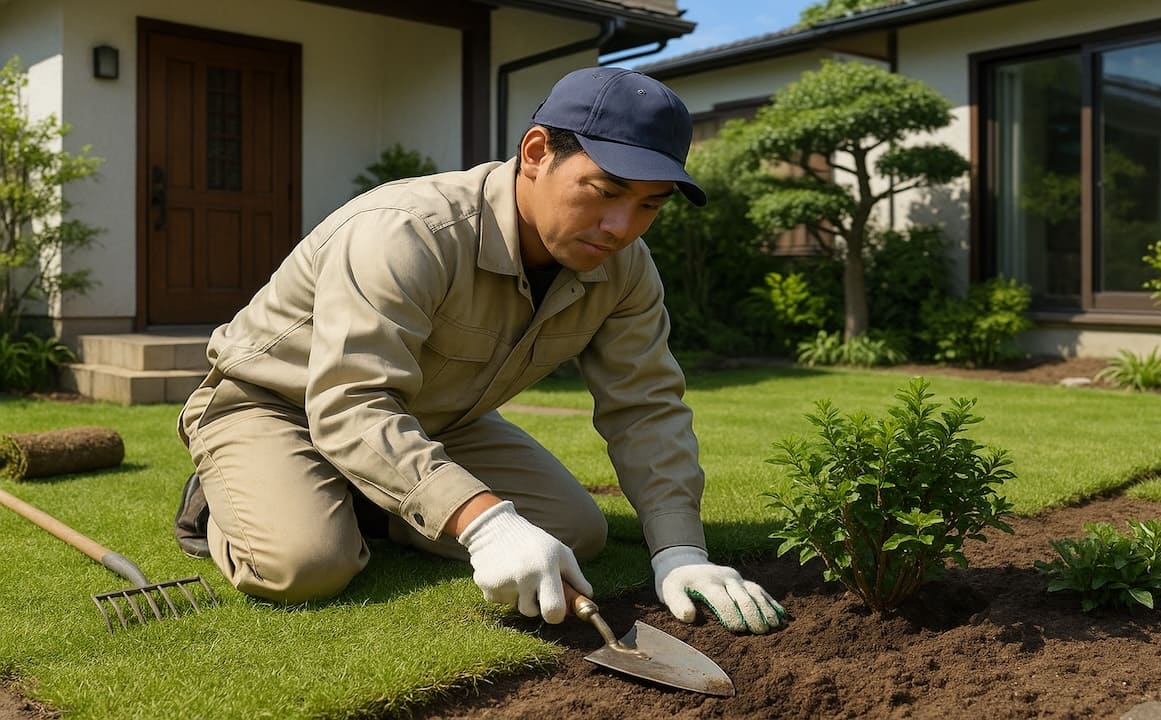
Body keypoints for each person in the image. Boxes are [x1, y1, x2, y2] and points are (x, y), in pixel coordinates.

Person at [174, 66, 784, 635]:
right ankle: (225, 497)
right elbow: (350, 401)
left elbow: (646, 405)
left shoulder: (625, 269)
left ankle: (369, 493)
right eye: (605, 190)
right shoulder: (407, 231)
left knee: (576, 531)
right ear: (538, 153)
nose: (622, 226)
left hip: (432, 417)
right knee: (308, 565)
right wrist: (485, 523)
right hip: (277, 406)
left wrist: (680, 550)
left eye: (650, 204)